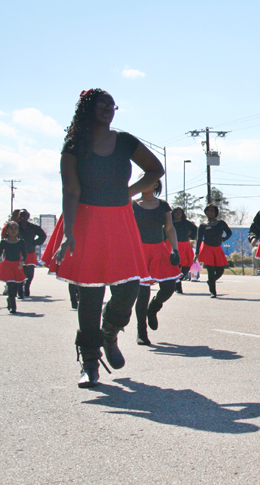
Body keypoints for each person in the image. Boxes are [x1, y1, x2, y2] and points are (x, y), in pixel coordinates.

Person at [54, 88, 162, 388]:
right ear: (87, 109)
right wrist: (68, 233)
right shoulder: (75, 145)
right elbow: (70, 191)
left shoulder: (125, 141)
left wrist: (128, 192)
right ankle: (90, 362)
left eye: (111, 105)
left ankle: (110, 331)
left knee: (129, 287)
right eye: (100, 104)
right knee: (90, 293)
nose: (107, 108)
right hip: (86, 220)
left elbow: (156, 169)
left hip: (119, 220)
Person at [132, 179, 182, 345]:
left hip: (159, 249)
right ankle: (142, 332)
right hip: (139, 252)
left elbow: (169, 228)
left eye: (147, 179)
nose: (143, 182)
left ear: (155, 184)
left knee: (169, 287)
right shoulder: (132, 204)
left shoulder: (163, 205)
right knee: (142, 293)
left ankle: (153, 308)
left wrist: (175, 250)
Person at [195, 204, 232, 298]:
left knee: (220, 270)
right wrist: (197, 253)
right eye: (208, 210)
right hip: (207, 248)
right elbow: (199, 239)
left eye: (212, 210)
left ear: (215, 213)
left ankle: (210, 281)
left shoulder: (221, 223)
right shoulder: (203, 225)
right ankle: (213, 291)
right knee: (210, 271)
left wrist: (224, 239)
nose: (209, 212)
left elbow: (229, 232)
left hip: (217, 248)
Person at [16, 209, 46, 298]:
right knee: (19, 272)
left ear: (28, 217)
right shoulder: (15, 226)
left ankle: (27, 286)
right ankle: (20, 290)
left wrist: (35, 242)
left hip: (30, 251)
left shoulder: (33, 227)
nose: (22, 217)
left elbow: (43, 235)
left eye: (24, 215)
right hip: (18, 253)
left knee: (30, 273)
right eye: (20, 215)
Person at [0, 221, 27, 313]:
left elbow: (24, 254)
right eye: (11, 228)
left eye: (15, 228)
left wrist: (22, 262)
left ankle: (10, 300)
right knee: (10, 285)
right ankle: (13, 306)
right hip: (7, 265)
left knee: (15, 287)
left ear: (18, 231)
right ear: (7, 230)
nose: (13, 230)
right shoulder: (4, 242)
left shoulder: (21, 242)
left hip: (17, 266)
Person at [171, 207, 197, 294]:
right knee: (176, 266)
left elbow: (195, 229)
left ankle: (176, 280)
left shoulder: (186, 223)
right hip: (173, 245)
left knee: (187, 265)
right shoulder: (170, 223)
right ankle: (178, 287)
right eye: (176, 212)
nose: (178, 214)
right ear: (173, 214)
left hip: (185, 244)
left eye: (180, 213)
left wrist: (191, 237)